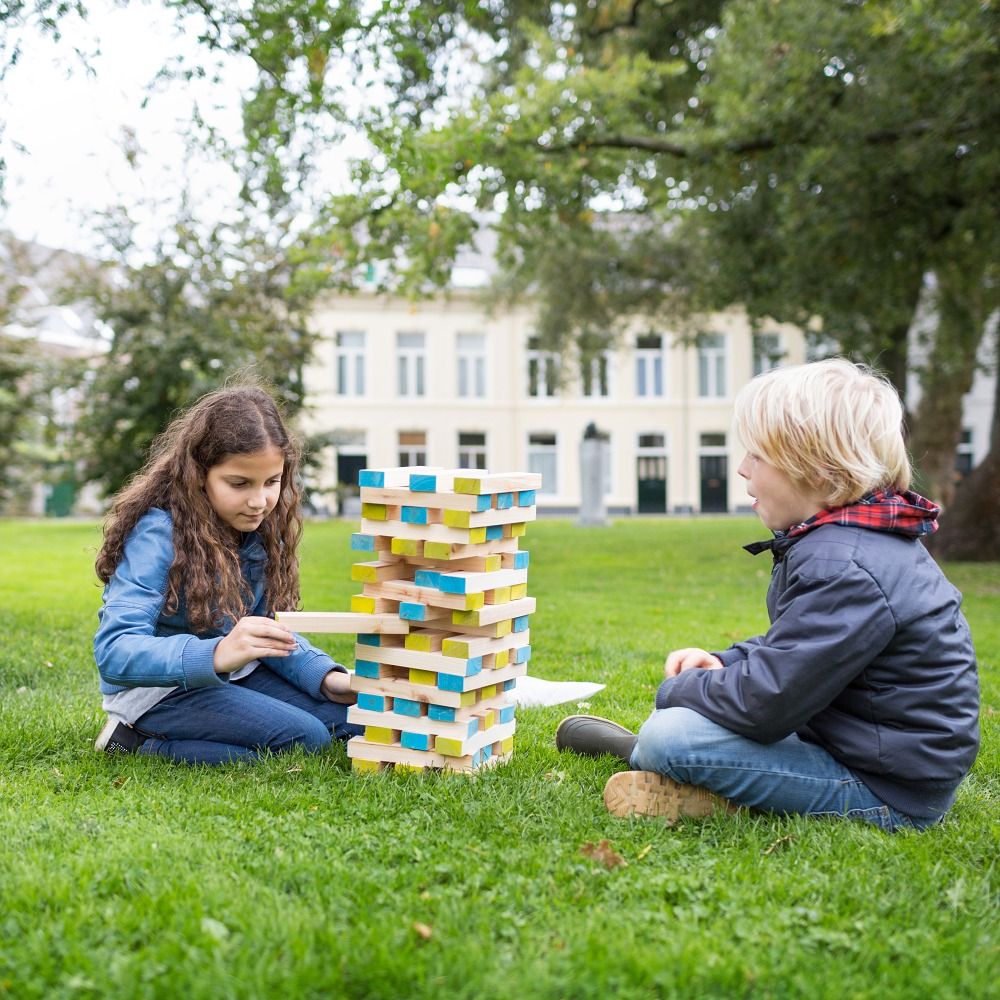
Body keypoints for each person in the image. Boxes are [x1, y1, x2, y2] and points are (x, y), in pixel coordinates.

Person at [556, 359, 980, 832]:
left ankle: (651, 757)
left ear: (817, 472)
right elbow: (801, 648)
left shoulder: (847, 565)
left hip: (887, 788)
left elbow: (766, 703)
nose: (741, 469)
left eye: (757, 456)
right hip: (860, 746)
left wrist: (677, 692)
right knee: (688, 725)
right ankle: (672, 763)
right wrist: (725, 662)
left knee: (670, 735)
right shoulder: (851, 545)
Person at [92, 382, 361, 764]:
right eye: (239, 483)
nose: (259, 501)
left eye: (272, 482)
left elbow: (265, 631)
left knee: (355, 719)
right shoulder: (157, 534)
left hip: (235, 672)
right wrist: (217, 653)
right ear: (199, 474)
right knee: (306, 738)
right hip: (160, 690)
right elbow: (115, 651)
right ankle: (134, 741)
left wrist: (326, 678)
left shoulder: (262, 529)